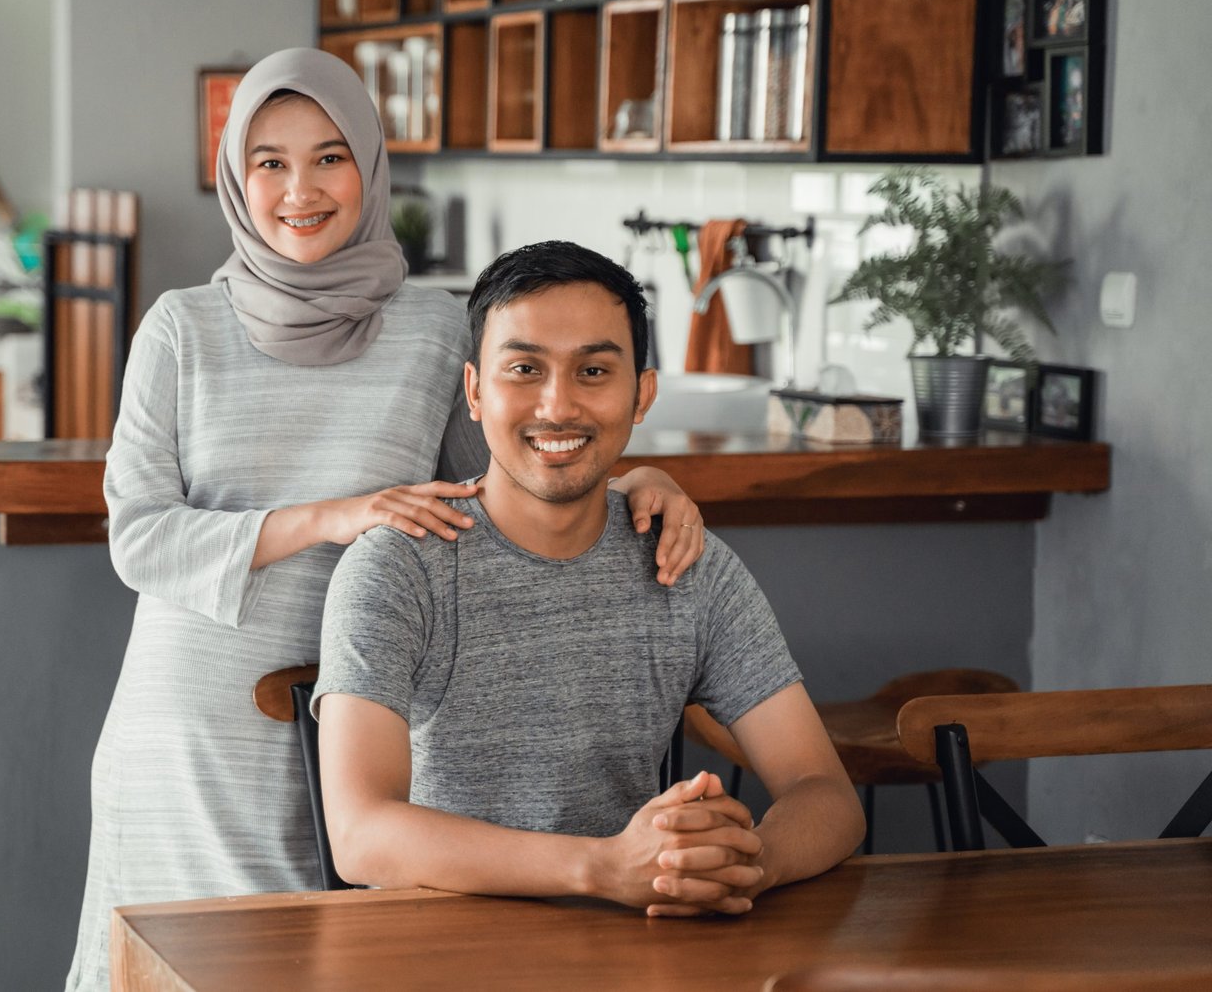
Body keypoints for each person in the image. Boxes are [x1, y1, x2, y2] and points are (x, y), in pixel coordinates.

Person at [64, 52, 708, 990]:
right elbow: (140, 537)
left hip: (359, 714)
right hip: (186, 733)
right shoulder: (179, 328)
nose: (299, 189)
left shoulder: (436, 329)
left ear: (370, 164)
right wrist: (334, 515)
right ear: (237, 179)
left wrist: (637, 475)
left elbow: (505, 482)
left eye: (329, 157)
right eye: (269, 163)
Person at [314, 240, 866, 917]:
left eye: (594, 370)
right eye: (524, 367)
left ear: (644, 394)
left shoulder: (685, 559)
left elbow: (827, 794)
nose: (558, 405)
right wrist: (602, 866)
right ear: (475, 391)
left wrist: (740, 864)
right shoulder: (399, 566)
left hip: (638, 948)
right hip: (438, 949)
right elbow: (360, 834)